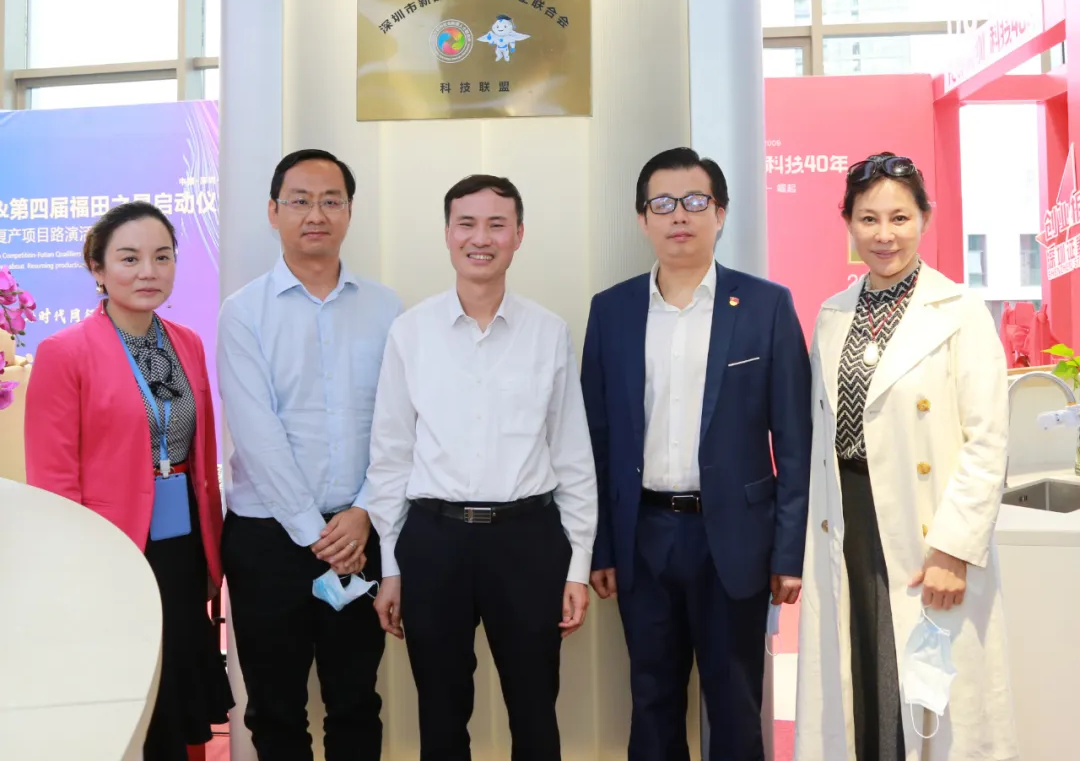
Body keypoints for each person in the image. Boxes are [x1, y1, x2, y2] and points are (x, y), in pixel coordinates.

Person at [581, 147, 812, 761]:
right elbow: (595, 440)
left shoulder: (765, 306)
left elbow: (795, 442)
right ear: (642, 219)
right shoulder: (611, 311)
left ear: (720, 213)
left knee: (735, 704)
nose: (678, 215)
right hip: (644, 536)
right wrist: (602, 546)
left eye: (694, 201)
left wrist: (789, 553)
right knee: (652, 701)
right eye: (662, 203)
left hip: (735, 539)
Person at [364, 174, 597, 761]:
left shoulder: (548, 333)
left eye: (497, 224)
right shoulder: (411, 332)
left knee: (535, 712)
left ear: (519, 235)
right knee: (441, 717)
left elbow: (572, 457)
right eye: (466, 223)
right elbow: (390, 456)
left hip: (528, 540)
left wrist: (577, 567)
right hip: (433, 540)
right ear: (447, 233)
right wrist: (391, 566)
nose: (481, 238)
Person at [795, 153, 1018, 761]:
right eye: (868, 219)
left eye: (900, 217)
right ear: (847, 223)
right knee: (861, 677)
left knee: (926, 692)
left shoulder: (960, 312)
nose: (884, 234)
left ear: (925, 218)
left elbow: (987, 441)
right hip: (847, 518)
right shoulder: (833, 314)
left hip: (926, 525)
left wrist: (954, 548)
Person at [24, 201, 233, 761]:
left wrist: (211, 550)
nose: (148, 272)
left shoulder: (186, 342)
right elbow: (53, 476)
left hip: (183, 543)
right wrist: (76, 564)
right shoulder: (64, 352)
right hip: (112, 545)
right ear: (97, 268)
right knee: (132, 681)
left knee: (178, 675)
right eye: (130, 258)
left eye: (162, 257)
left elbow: (201, 452)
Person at [218, 149, 402, 761]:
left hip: (359, 532)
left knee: (356, 702)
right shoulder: (243, 312)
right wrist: (316, 534)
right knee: (275, 710)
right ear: (274, 211)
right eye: (299, 201)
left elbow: (398, 425)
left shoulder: (387, 309)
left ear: (349, 211)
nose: (315, 214)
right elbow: (257, 434)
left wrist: (365, 512)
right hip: (269, 540)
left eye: (330, 201)